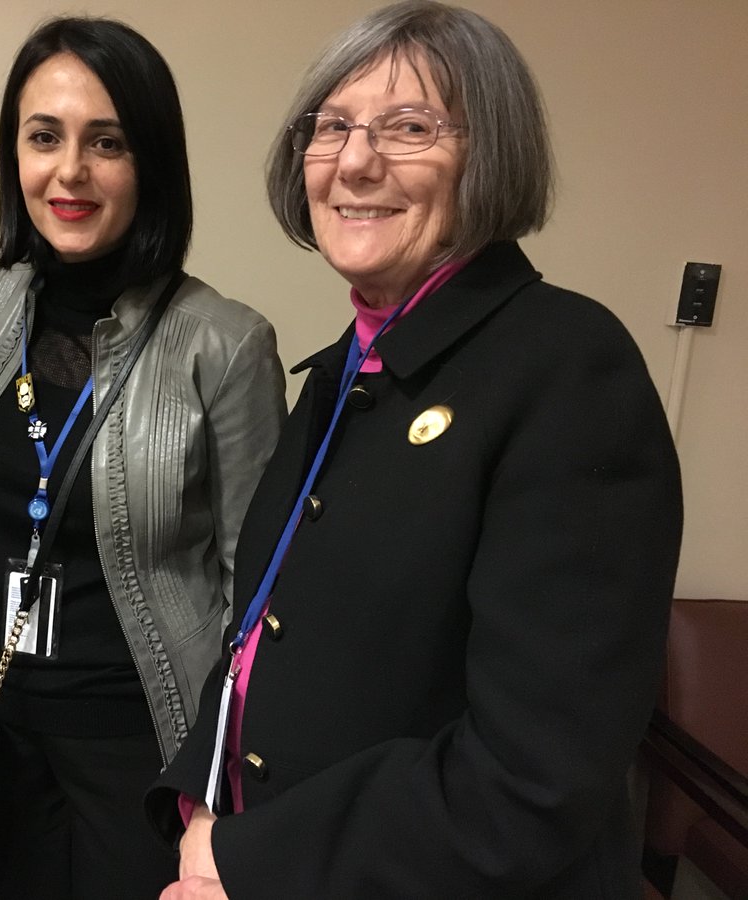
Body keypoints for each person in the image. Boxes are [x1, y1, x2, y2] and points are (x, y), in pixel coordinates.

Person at [148, 2, 684, 897]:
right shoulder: (343, 372)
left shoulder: (569, 370)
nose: (357, 160)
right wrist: (202, 806)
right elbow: (261, 637)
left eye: (409, 126)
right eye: (334, 127)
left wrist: (249, 862)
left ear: (491, 153)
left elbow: (532, 779)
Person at [0, 16, 286, 899]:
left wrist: (220, 799)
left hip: (142, 747)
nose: (68, 171)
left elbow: (258, 593)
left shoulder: (223, 344)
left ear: (149, 161)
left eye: (104, 142)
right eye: (44, 137)